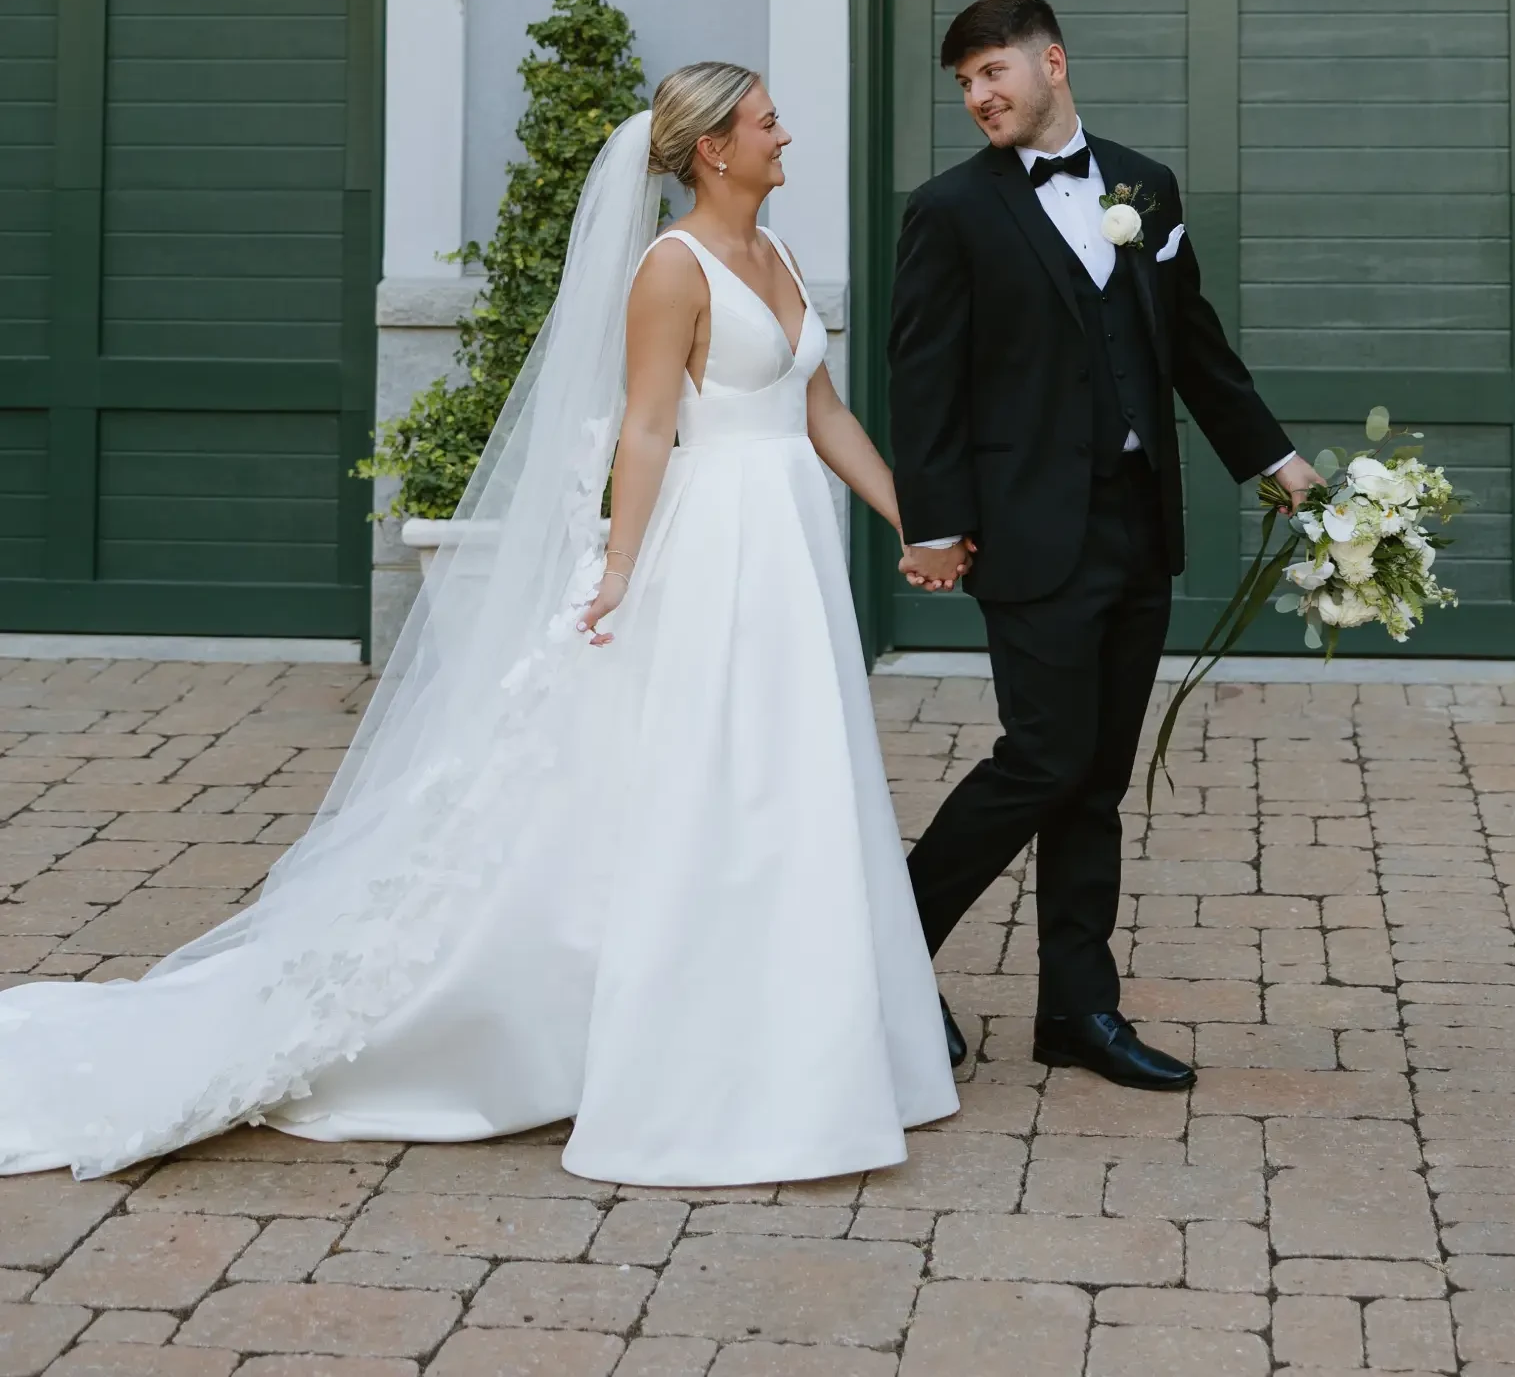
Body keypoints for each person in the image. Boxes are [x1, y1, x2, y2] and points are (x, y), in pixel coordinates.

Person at [0, 67, 956, 1185]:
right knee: (715, 778)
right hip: (714, 555)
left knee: (798, 772)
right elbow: (646, 431)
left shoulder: (781, 255)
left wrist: (917, 521)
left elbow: (821, 408)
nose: (783, 132)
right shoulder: (671, 269)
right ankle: (694, 1047)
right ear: (710, 148)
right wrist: (619, 568)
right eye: (763, 121)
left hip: (790, 546)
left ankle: (814, 1029)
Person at [889, 0, 1316, 1090]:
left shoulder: (1141, 185)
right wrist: (933, 523)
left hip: (1134, 526)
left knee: (1094, 778)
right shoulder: (949, 210)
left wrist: (1273, 461)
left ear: (1052, 61)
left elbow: (1193, 348)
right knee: (1040, 756)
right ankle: (880, 951)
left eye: (992, 71)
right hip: (1027, 534)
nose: (978, 95)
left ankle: (1078, 1009)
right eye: (964, 82)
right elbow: (921, 379)